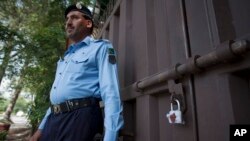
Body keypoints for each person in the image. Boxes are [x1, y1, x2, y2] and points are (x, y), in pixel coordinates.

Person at [29, 2, 124, 141]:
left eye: (74, 17)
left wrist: (110, 137)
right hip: (53, 121)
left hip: (80, 119)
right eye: (67, 19)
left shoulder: (101, 48)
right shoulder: (65, 58)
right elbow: (57, 99)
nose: (68, 22)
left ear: (88, 24)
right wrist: (40, 130)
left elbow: (111, 93)